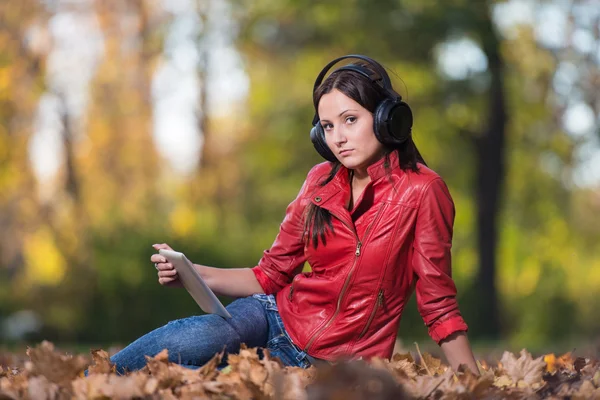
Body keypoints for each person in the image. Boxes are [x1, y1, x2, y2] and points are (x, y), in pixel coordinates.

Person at [108, 55, 479, 375]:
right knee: (207, 334)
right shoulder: (319, 181)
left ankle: (113, 384)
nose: (338, 138)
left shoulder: (424, 190)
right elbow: (270, 274)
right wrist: (191, 274)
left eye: (350, 120)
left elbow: (438, 302)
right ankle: (100, 377)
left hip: (333, 366)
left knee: (205, 382)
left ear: (387, 119)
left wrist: (474, 387)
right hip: (273, 315)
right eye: (328, 127)